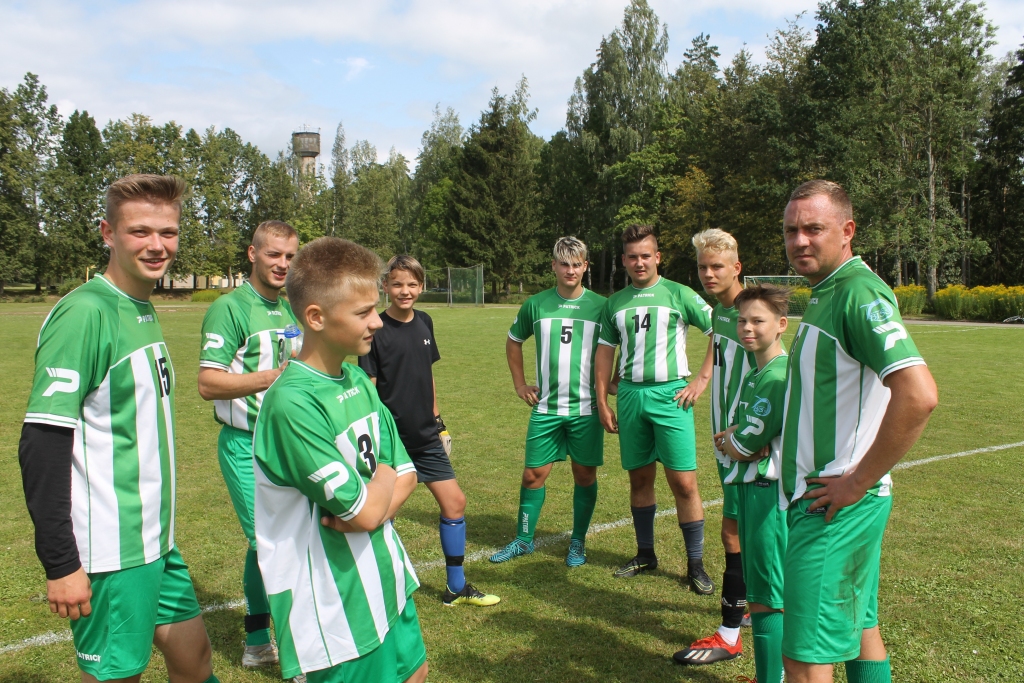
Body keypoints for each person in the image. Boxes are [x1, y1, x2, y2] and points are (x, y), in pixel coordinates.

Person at [19, 174, 219, 683]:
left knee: (193, 658)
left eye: (168, 232)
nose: (157, 245)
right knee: (116, 675)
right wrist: (61, 564)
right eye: (141, 231)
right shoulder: (85, 313)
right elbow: (41, 442)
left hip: (155, 539)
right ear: (108, 233)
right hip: (111, 546)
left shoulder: (140, 306)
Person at [780, 180, 937, 683]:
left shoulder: (856, 293)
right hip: (842, 502)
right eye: (791, 230)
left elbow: (918, 393)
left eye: (813, 229)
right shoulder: (829, 291)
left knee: (804, 659)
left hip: (833, 504)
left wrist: (856, 482)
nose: (800, 240)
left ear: (847, 231)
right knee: (861, 627)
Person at [253, 237, 427, 683]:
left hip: (386, 576)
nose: (377, 322)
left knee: (416, 672)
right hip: (334, 608)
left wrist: (380, 492)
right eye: (363, 312)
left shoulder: (356, 378)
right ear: (316, 316)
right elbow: (372, 502)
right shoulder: (292, 404)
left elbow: (405, 476)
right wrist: (383, 482)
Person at [358, 255, 499, 607]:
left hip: (425, 436)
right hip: (392, 441)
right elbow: (369, 388)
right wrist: (376, 437)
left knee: (455, 503)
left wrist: (439, 422)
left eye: (411, 284)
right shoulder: (375, 329)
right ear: (385, 287)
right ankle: (366, 590)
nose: (405, 291)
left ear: (421, 286)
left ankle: (455, 587)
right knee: (380, 514)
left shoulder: (424, 321)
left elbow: (427, 375)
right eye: (397, 284)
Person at [196, 220, 299, 668]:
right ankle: (296, 658)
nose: (283, 264)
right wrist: (272, 379)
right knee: (276, 547)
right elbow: (207, 382)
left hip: (285, 447)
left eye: (291, 257)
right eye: (274, 254)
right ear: (252, 253)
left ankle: (257, 643)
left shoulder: (289, 307)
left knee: (269, 544)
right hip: (245, 446)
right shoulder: (229, 307)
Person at [595, 223, 716, 592]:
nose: (639, 262)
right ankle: (645, 553)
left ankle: (695, 564)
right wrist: (602, 399)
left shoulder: (680, 294)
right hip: (631, 397)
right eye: (632, 257)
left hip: (671, 395)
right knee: (640, 478)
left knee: (684, 482)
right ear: (624, 261)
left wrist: (701, 380)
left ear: (657, 257)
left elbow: (719, 331)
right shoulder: (614, 303)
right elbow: (605, 353)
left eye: (646, 255)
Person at [677, 284, 790, 680]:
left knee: (769, 595)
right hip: (755, 487)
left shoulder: (775, 375)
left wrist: (733, 439)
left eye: (757, 321)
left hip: (768, 493)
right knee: (764, 592)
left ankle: (770, 673)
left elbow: (744, 442)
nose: (746, 328)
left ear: (781, 325)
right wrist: (739, 439)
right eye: (742, 321)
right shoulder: (762, 372)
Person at [491, 236, 607, 567]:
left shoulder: (601, 306)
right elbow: (514, 342)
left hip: (586, 409)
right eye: (564, 264)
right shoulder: (536, 304)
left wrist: (612, 383)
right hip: (546, 408)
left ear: (585, 266)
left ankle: (577, 543)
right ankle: (523, 540)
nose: (570, 270)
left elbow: (619, 346)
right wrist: (519, 384)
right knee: (532, 475)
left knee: (584, 476)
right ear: (553, 265)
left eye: (577, 264)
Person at [677, 228, 756, 661]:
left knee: (737, 534)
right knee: (742, 533)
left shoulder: (751, 311)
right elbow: (715, 348)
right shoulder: (721, 314)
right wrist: (703, 378)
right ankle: (747, 614)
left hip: (749, 445)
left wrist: (753, 433)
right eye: (703, 267)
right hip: (726, 443)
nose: (708, 274)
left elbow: (779, 374)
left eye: (717, 267)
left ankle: (732, 629)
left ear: (736, 268)